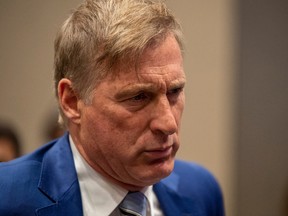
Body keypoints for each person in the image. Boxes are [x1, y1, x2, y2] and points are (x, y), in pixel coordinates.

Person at [0, 0, 225, 215]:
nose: (168, 124)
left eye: (174, 91)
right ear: (72, 101)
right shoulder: (7, 198)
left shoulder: (201, 191)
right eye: (138, 97)